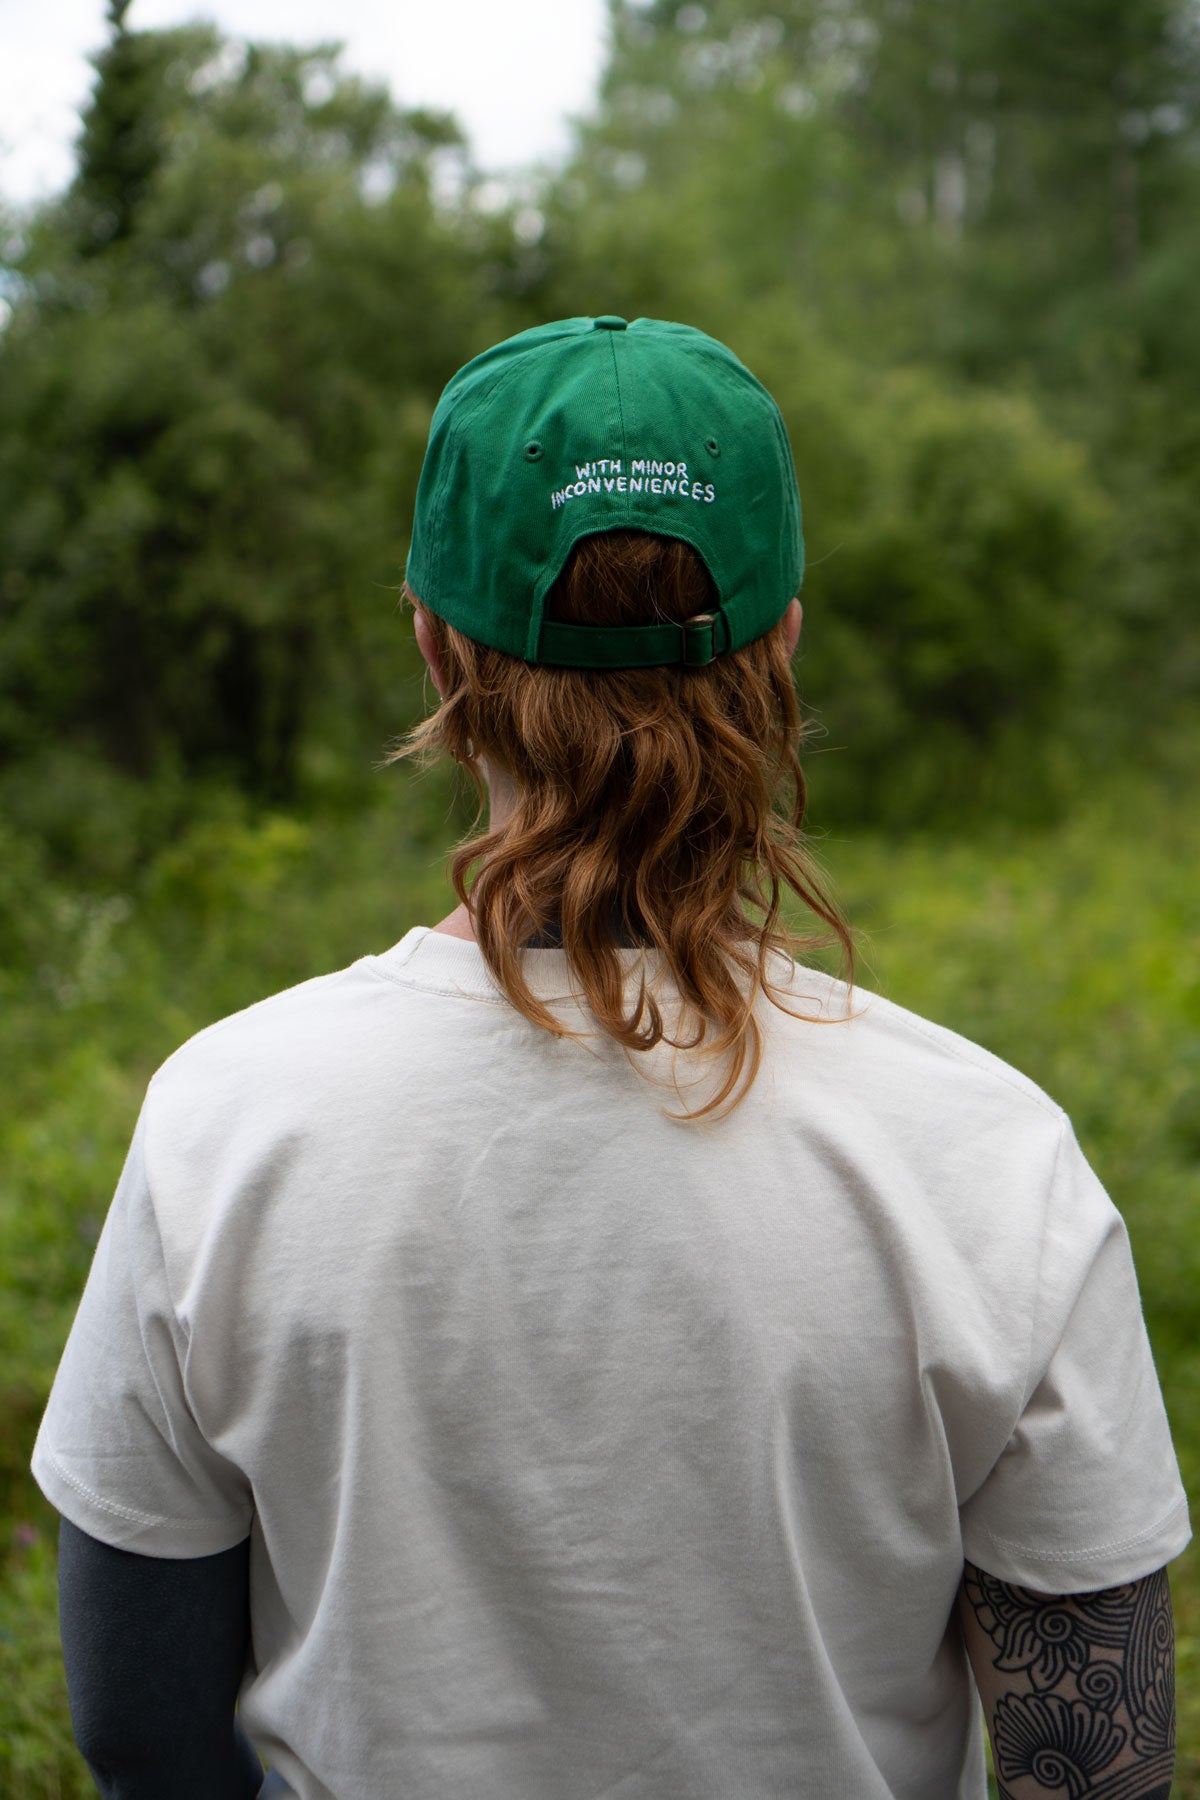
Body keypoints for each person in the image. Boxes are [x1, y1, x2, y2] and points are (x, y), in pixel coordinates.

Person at [33, 315, 1190, 1800]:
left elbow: (139, 1719)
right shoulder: (992, 1161)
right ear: (782, 640)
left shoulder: (228, 1122)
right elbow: (1094, 1771)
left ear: (433, 640)